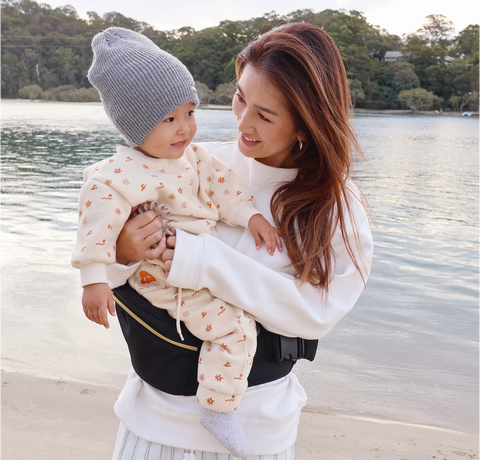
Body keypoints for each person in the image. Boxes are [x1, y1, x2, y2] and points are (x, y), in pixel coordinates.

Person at [107, 22, 374, 460]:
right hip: (153, 424)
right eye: (239, 97)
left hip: (256, 435)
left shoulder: (336, 206)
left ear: (306, 124)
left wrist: (203, 260)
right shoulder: (193, 163)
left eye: (265, 115)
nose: (243, 123)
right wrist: (123, 252)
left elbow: (316, 313)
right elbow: (107, 254)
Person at [72, 27, 283, 457]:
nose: (185, 128)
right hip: (162, 276)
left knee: (239, 318)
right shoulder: (116, 175)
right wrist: (94, 280)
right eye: (169, 119)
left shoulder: (191, 156)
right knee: (235, 329)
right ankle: (218, 408)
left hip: (193, 265)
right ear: (136, 124)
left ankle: (214, 395)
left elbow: (223, 185)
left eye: (189, 112)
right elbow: (95, 226)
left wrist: (251, 215)